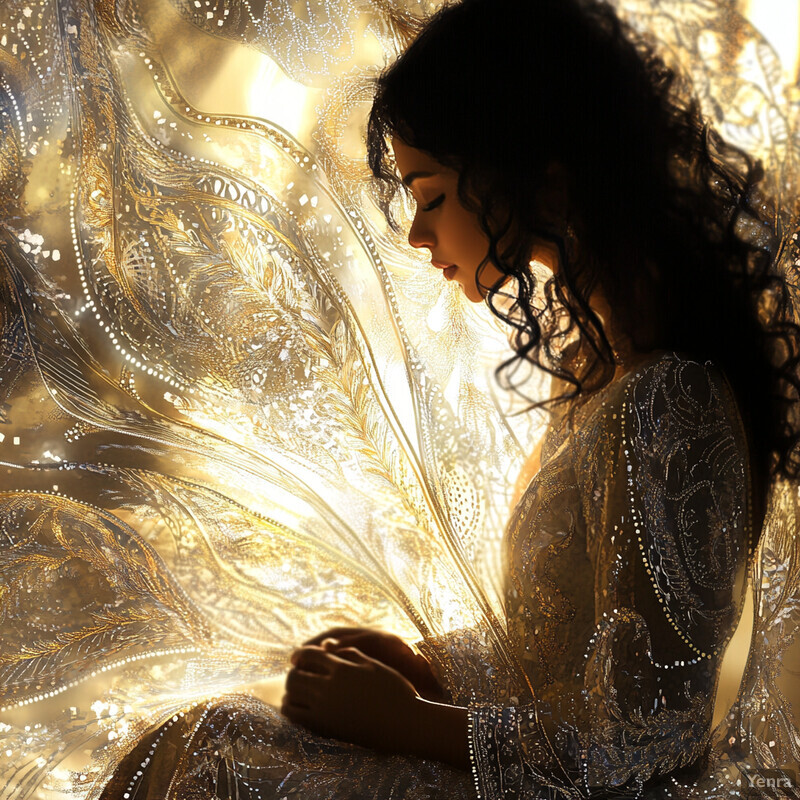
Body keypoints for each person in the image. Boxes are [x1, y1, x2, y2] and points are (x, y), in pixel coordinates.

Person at [94, 0, 799, 796]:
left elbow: (650, 734)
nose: (416, 236)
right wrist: (426, 667)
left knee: (220, 756)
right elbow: (558, 658)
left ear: (544, 184)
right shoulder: (603, 378)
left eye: (429, 196)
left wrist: (407, 718)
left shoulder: (670, 400)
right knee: (208, 736)